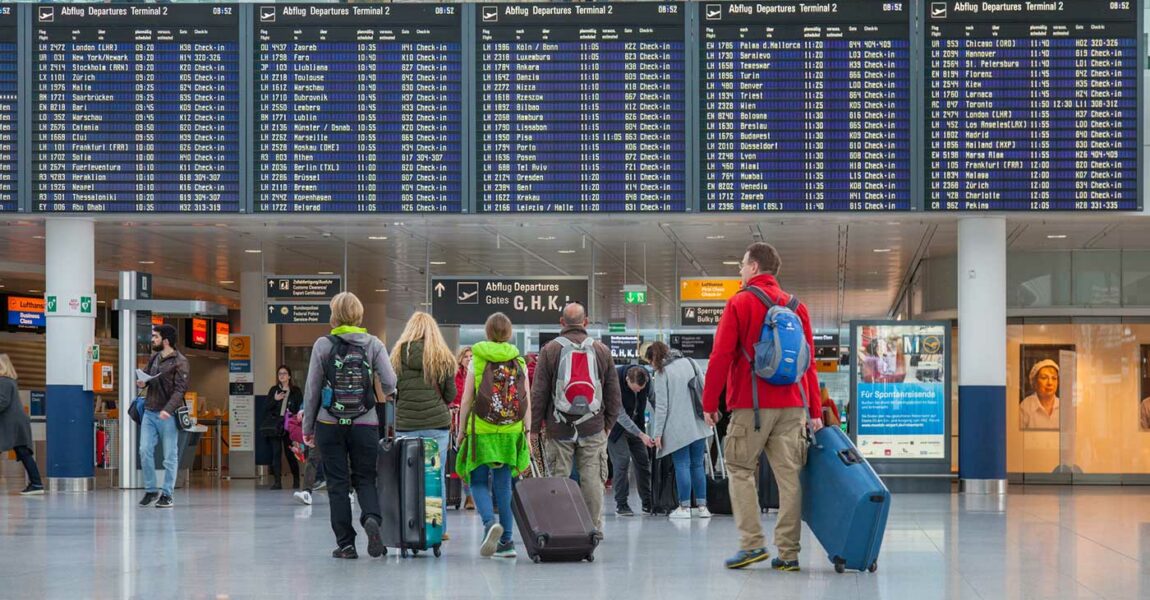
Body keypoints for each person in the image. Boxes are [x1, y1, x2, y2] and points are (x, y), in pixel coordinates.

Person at [702, 242, 823, 572]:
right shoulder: (798, 307)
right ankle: (789, 553)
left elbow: (721, 357)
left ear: (754, 267)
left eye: (742, 265)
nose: (740, 271)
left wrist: (709, 403)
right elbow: (808, 364)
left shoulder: (740, 302)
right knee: (790, 480)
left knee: (740, 470)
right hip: (794, 406)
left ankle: (752, 545)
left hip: (750, 406)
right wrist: (814, 410)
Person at [302, 292, 397, 559]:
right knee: (366, 478)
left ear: (334, 315)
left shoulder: (323, 345)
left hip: (328, 422)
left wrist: (308, 428)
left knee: (337, 484)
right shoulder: (373, 344)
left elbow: (311, 391)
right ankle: (372, 519)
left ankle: (345, 544)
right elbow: (390, 382)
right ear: (359, 314)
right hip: (365, 422)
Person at [531, 302, 622, 535]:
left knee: (559, 479)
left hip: (558, 427)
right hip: (593, 426)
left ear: (562, 322)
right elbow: (614, 395)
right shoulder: (601, 350)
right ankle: (593, 530)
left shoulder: (550, 350)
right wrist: (607, 426)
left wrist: (533, 429)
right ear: (586, 322)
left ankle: (560, 529)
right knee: (592, 479)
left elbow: (539, 393)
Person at [455, 312, 533, 559]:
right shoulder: (519, 361)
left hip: (482, 431)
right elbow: (526, 401)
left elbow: (467, 399)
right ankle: (507, 543)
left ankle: (490, 525)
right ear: (509, 333)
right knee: (504, 487)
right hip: (511, 432)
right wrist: (527, 434)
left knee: (476, 481)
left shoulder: (477, 360)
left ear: (487, 332)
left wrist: (460, 431)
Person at [390, 311, 457, 535]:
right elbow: (449, 395)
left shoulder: (397, 355)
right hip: (436, 426)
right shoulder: (442, 356)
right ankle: (438, 528)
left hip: (406, 425)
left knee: (408, 478)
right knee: (435, 479)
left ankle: (408, 528)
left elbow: (392, 390)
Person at [646, 342, 713, 520]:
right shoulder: (691, 362)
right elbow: (705, 389)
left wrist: (657, 433)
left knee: (682, 465)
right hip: (699, 424)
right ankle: (702, 507)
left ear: (654, 358)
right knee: (698, 465)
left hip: (677, 428)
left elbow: (661, 407)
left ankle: (684, 508)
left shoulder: (661, 373)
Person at [136, 324, 190, 509]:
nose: (152, 340)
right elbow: (146, 377)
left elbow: (180, 389)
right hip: (150, 412)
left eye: (155, 337)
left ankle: (167, 494)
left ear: (165, 340)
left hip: (167, 415)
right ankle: (151, 490)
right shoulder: (154, 358)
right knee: (144, 450)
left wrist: (168, 409)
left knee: (169, 456)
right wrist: (142, 382)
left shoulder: (180, 362)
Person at [608, 364, 655, 516]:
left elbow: (655, 401)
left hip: (638, 425)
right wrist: (641, 435)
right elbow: (620, 415)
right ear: (627, 379)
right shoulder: (614, 380)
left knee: (643, 461)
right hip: (616, 428)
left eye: (641, 389)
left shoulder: (646, 379)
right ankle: (621, 504)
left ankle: (648, 503)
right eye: (636, 389)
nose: (639, 391)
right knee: (622, 461)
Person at [0, 354, 43, 495]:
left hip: (11, 424)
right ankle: (36, 484)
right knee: (23, 452)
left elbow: (3, 402)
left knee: (23, 452)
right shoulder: (9, 381)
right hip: (14, 423)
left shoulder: (4, 381)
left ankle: (37, 484)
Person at [262, 365, 302, 490]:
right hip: (276, 425)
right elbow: (266, 408)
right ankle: (277, 482)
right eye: (280, 374)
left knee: (290, 454)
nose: (282, 376)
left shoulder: (295, 391)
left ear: (289, 376)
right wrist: (274, 399)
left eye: (284, 373)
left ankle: (296, 480)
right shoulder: (274, 390)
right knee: (276, 453)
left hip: (289, 425)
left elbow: (300, 408)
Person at [453, 346, 475, 510]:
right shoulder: (455, 376)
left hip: (475, 422)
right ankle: (469, 496)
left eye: (471, 356)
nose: (468, 358)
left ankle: (472, 495)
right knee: (463, 459)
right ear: (460, 359)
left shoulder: (479, 374)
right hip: (457, 421)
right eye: (466, 356)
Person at [1020, 359, 1059, 430]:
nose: (1050, 383)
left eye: (1054, 378)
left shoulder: (1064, 407)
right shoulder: (1025, 407)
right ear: (1034, 382)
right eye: (1044, 378)